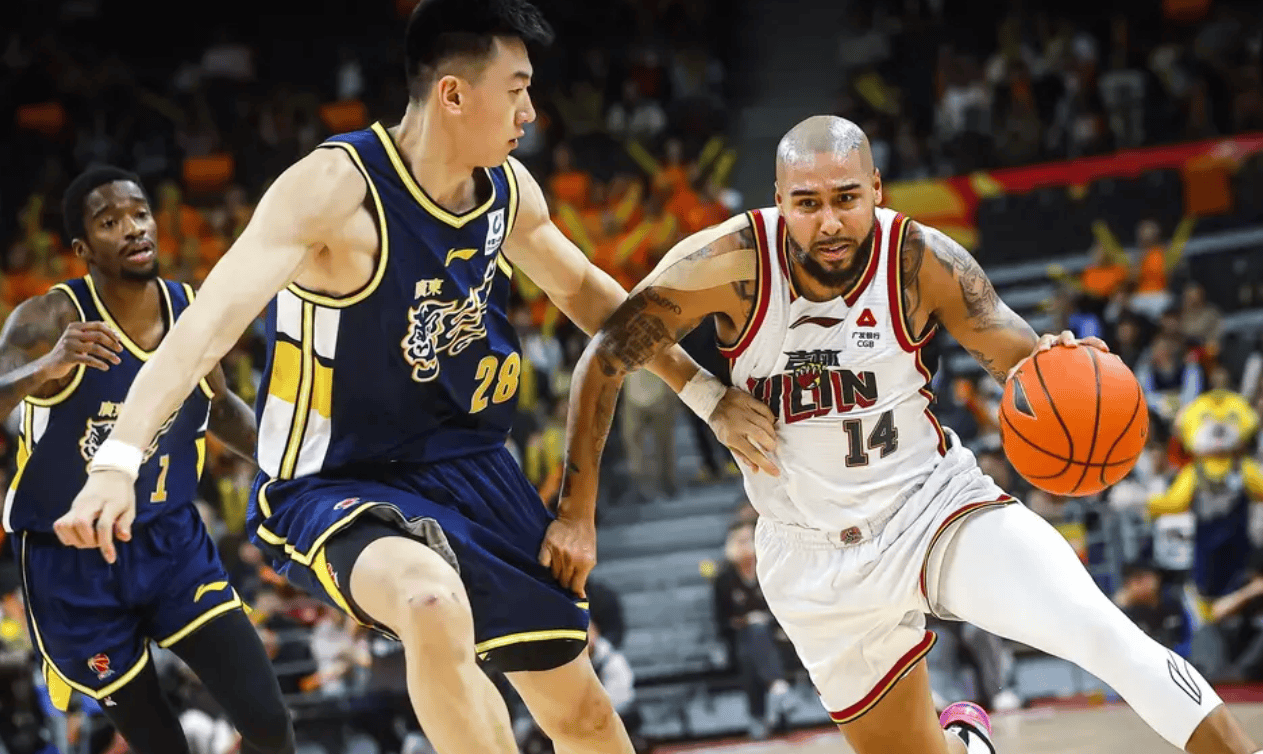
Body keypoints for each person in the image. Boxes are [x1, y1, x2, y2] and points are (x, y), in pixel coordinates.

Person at [59, 2, 777, 753]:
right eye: (517, 89)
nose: (531, 112)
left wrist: (706, 394)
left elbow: (587, 294)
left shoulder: (507, 189)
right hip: (337, 481)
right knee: (430, 602)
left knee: (583, 716)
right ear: (453, 94)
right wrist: (117, 461)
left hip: (473, 468)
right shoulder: (333, 189)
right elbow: (204, 328)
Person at [555, 115, 1262, 754]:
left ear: (876, 189)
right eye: (806, 203)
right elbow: (605, 355)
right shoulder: (729, 262)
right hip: (808, 557)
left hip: (932, 510)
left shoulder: (923, 262)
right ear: (778, 201)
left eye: (846, 198)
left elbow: (1021, 363)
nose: (829, 221)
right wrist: (581, 512)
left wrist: (1063, 369)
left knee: (1104, 636)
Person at [0, 166, 294, 754]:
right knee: (161, 743)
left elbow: (220, 406)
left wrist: (296, 463)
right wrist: (46, 368)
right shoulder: (49, 319)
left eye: (139, 214)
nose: (133, 228)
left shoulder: (189, 309)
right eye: (110, 222)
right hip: (71, 561)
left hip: (171, 543)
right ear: (83, 249)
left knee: (268, 722)